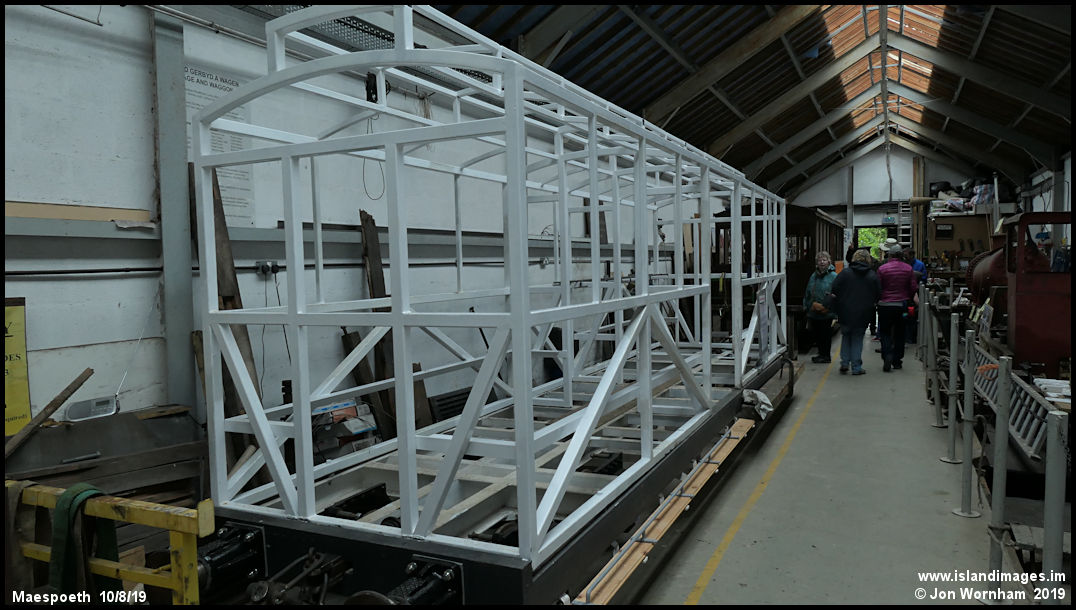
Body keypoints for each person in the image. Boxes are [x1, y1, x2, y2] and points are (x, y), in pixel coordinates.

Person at [830, 249, 881, 375]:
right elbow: (878, 294)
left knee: (846, 336)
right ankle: (856, 367)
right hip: (863, 313)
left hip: (845, 311)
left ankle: (844, 363)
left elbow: (834, 288)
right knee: (857, 338)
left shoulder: (845, 273)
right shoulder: (872, 275)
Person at [876, 244, 918, 372]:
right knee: (900, 332)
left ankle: (887, 354)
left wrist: (879, 299)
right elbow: (913, 288)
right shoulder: (908, 269)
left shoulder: (882, 269)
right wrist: (908, 297)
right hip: (902, 307)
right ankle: (897, 361)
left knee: (885, 332)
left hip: (885, 306)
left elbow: (878, 287)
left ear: (890, 255)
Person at [803, 251, 837, 363]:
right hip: (814, 311)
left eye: (824, 260)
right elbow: (808, 291)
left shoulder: (833, 276)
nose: (822, 262)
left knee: (825, 335)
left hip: (826, 311)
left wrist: (829, 307)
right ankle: (821, 354)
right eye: (819, 260)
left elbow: (836, 293)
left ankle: (826, 356)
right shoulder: (814, 276)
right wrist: (806, 305)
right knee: (817, 334)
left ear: (829, 261)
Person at [905, 249, 927, 345]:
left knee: (912, 316)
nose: (905, 257)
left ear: (911, 255)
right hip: (906, 295)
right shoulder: (904, 264)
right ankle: (907, 337)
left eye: (906, 255)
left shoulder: (920, 265)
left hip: (914, 295)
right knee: (906, 316)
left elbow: (924, 279)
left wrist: (917, 286)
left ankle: (912, 337)